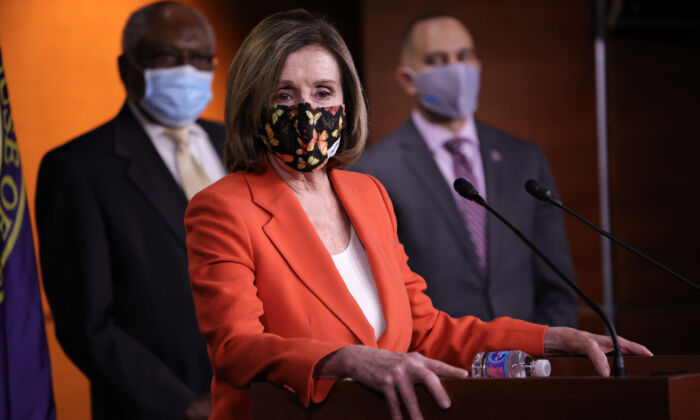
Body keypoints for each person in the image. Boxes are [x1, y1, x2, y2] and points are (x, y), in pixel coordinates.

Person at [184, 9, 651, 420]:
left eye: (323, 91)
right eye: (284, 95)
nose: (307, 110)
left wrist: (552, 338)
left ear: (346, 105)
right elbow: (236, 348)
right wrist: (347, 359)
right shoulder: (222, 208)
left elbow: (426, 330)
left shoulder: (368, 194)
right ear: (252, 104)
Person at [35, 2, 226, 419]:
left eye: (199, 60)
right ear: (127, 68)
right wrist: (183, 405)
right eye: (166, 57)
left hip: (262, 396)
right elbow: (88, 324)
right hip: (161, 409)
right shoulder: (77, 168)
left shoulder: (237, 145)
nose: (187, 71)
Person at [352, 14, 579, 327]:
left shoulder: (525, 159)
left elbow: (558, 287)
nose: (456, 69)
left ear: (478, 65)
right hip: (438, 367)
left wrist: (550, 358)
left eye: (463, 56)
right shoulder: (373, 172)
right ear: (407, 79)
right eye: (437, 60)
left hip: (531, 365)